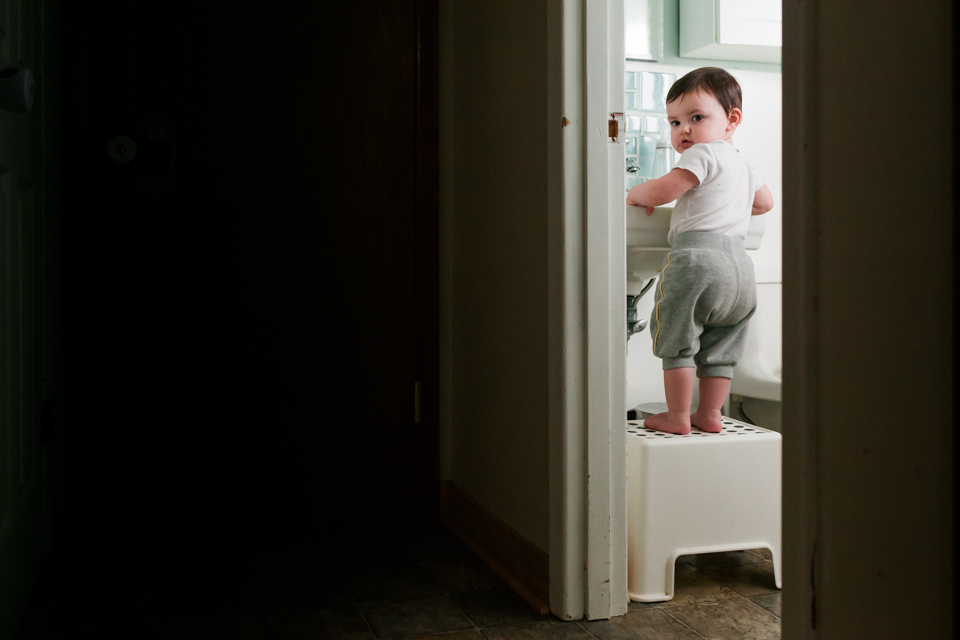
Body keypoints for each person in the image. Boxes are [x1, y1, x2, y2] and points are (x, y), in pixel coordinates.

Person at [626, 67, 774, 435]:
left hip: (698, 259)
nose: (683, 130)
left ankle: (677, 417)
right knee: (721, 345)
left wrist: (634, 194)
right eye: (674, 122)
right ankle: (709, 413)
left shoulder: (703, 154)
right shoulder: (742, 163)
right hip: (740, 270)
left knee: (677, 339)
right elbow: (765, 204)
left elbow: (663, 192)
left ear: (731, 120)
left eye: (696, 118)